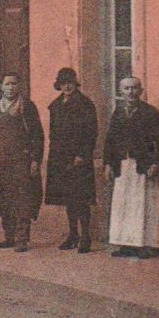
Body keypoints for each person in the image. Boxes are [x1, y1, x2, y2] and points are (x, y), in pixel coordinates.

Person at [102, 75, 159, 259]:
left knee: (144, 205)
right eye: (126, 89)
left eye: (134, 88)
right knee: (124, 204)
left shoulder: (150, 112)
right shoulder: (118, 112)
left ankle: (145, 245)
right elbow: (110, 140)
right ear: (121, 92)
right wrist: (108, 163)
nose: (131, 92)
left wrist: (156, 162)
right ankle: (126, 244)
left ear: (141, 91)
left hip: (143, 166)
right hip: (122, 165)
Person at [0, 73, 44, 252]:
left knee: (22, 199)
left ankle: (22, 238)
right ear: (1, 87)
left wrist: (35, 160)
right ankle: (9, 237)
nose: (10, 87)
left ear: (19, 86)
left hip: (20, 161)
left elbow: (37, 135)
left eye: (14, 83)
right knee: (4, 199)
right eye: (7, 84)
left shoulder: (27, 106)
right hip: (0, 161)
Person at [45, 67, 99, 253]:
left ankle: (86, 236)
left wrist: (82, 155)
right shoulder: (56, 105)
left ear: (75, 83)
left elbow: (91, 133)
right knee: (68, 198)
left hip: (78, 159)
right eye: (63, 83)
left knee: (81, 199)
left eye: (70, 82)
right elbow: (53, 133)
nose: (67, 86)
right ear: (59, 85)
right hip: (60, 158)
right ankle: (72, 234)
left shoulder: (85, 104)